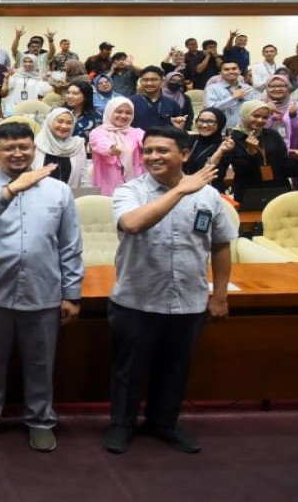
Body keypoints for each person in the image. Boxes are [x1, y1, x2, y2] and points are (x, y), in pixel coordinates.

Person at [104, 126, 234, 455]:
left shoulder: (208, 196)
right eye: (147, 151)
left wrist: (219, 295)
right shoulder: (129, 190)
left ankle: (163, 423)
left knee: (175, 369)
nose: (153, 157)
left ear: (185, 154)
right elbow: (133, 224)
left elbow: (220, 245)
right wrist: (180, 191)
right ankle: (122, 424)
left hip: (188, 300)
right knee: (129, 370)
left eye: (162, 150)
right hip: (137, 298)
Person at [0, 123, 83, 453]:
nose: (18, 153)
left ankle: (41, 419)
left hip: (43, 293)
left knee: (41, 362)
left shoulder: (58, 191)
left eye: (24, 147)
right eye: (9, 148)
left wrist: (72, 293)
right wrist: (10, 191)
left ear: (34, 149)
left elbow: (70, 245)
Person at [223, 100, 298, 198]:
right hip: (250, 192)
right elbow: (241, 171)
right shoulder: (233, 138)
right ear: (245, 114)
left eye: (265, 117)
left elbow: (285, 167)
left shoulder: (272, 135)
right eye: (256, 116)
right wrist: (251, 153)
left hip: (278, 189)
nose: (260, 120)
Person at [89, 98, 144, 196]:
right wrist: (111, 149)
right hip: (107, 188)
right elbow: (100, 144)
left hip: (135, 186)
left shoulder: (138, 132)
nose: (123, 116)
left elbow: (147, 143)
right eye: (118, 111)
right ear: (109, 112)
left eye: (128, 113)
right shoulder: (97, 132)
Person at [34, 108, 90, 188]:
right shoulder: (37, 144)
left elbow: (83, 175)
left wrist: (88, 197)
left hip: (70, 196)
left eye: (69, 123)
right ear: (49, 122)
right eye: (60, 121)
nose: (64, 126)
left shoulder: (77, 145)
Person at [184, 108, 233, 191]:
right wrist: (177, 130)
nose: (204, 125)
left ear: (220, 124)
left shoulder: (225, 146)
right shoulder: (191, 139)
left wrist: (220, 152)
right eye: (201, 120)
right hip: (184, 189)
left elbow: (208, 171)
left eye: (210, 122)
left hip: (209, 192)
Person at [131, 66, 188, 131]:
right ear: (141, 81)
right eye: (145, 80)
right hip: (137, 140)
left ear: (163, 81)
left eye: (154, 80)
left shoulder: (172, 104)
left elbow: (178, 129)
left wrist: (179, 128)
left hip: (165, 140)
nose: (149, 83)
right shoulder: (131, 102)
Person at [205, 62, 259, 128]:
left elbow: (255, 109)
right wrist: (233, 98)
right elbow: (211, 110)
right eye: (226, 69)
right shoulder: (212, 89)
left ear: (239, 71)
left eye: (234, 69)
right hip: (220, 129)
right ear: (220, 73)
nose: (231, 71)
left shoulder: (248, 88)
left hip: (244, 129)